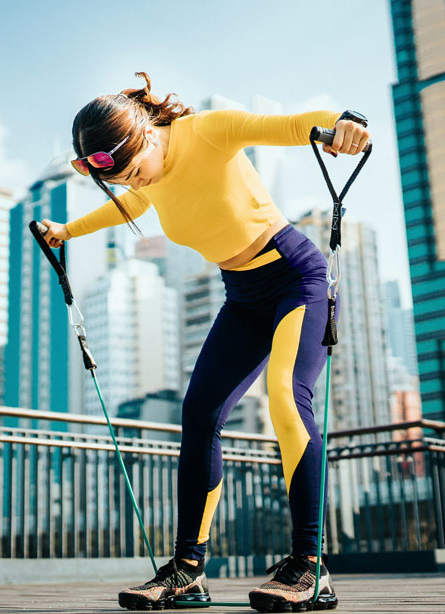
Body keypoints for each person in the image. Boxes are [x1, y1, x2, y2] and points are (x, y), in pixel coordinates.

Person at [41, 72, 369, 613]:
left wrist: (337, 126)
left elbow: (284, 126)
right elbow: (130, 206)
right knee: (200, 413)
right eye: (121, 180)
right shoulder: (140, 183)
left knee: (288, 400)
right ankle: (187, 572)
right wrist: (67, 231)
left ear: (146, 132)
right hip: (241, 295)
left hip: (295, 279)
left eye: (133, 171)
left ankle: (310, 567)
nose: (133, 184)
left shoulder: (209, 131)